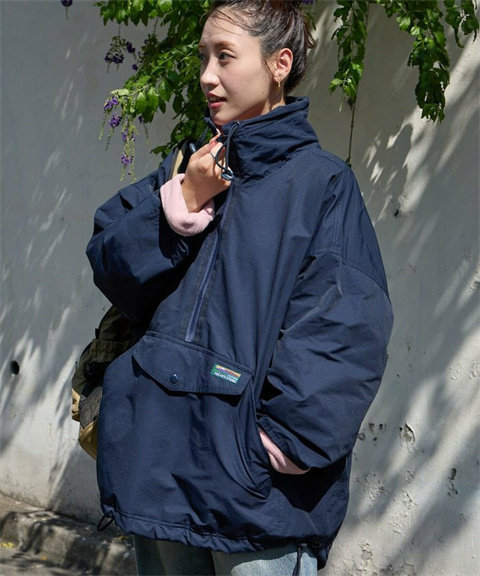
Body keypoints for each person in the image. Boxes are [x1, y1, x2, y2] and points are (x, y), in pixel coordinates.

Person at [86, 1, 393, 574]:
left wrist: (281, 445)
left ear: (280, 64)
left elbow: (347, 327)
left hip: (255, 500)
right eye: (203, 57)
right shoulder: (188, 167)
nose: (207, 75)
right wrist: (183, 203)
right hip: (158, 472)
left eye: (225, 56)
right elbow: (112, 268)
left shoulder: (321, 184)